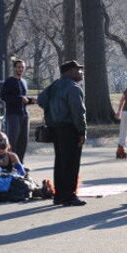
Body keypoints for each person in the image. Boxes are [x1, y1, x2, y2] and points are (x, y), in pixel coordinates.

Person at [38, 60, 87, 206]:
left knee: (60, 162)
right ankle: (69, 195)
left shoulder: (54, 85)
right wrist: (82, 131)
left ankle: (59, 195)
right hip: (70, 128)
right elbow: (78, 113)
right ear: (70, 71)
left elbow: (41, 100)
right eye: (78, 70)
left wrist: (51, 111)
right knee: (71, 163)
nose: (81, 72)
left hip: (55, 128)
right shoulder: (73, 88)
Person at [0, 58, 35, 162]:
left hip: (24, 114)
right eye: (19, 67)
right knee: (13, 140)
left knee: (24, 140)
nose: (21, 69)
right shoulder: (9, 81)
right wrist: (20, 99)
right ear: (14, 68)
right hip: (13, 114)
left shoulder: (24, 81)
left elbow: (23, 98)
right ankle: (11, 163)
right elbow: (4, 97)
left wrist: (30, 100)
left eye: (22, 67)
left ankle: (20, 164)